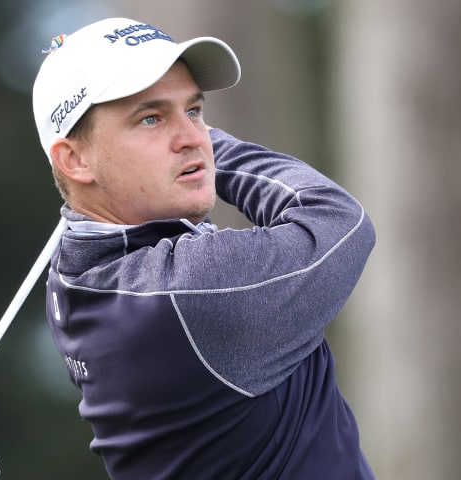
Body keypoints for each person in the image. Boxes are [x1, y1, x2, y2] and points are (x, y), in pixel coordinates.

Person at [32, 17, 376, 479]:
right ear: (74, 160)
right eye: (151, 118)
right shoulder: (189, 293)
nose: (195, 136)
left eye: (194, 111)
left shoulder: (72, 274)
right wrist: (207, 156)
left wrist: (182, 152)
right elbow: (336, 220)